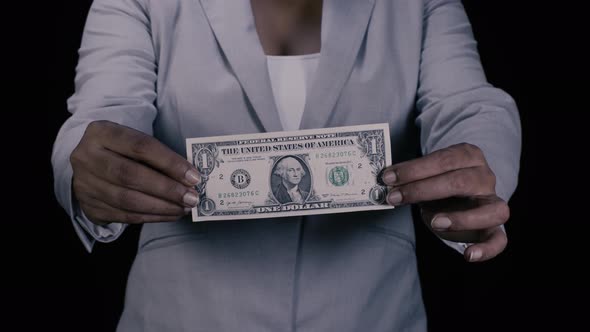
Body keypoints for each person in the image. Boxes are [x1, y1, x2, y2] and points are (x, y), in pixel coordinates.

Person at [52, 0, 521, 331]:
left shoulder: (417, 4)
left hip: (372, 317)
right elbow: (102, 114)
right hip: (182, 317)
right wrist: (87, 166)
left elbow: (468, 106)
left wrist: (477, 169)